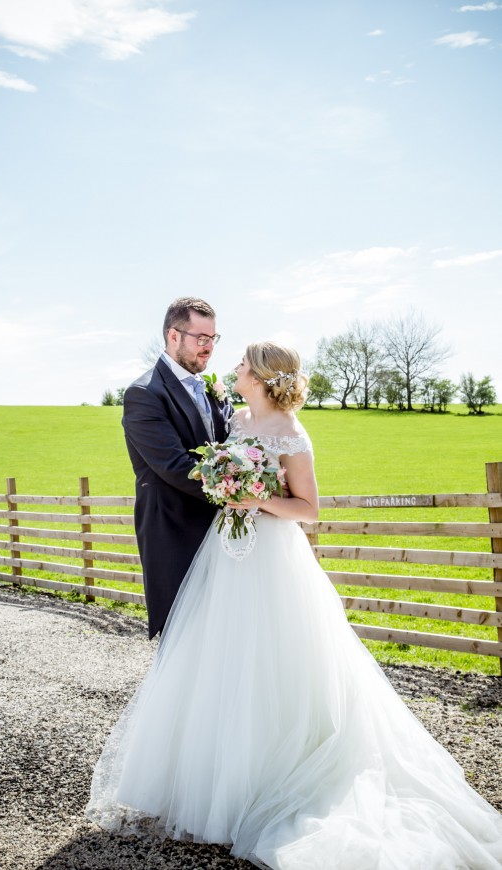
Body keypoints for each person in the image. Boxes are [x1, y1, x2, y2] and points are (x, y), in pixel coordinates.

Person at [87, 341, 502, 869]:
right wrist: (226, 487)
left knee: (275, 659)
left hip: (274, 559)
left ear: (260, 376)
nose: (231, 367)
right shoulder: (234, 419)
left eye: (240, 363)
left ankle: (274, 779)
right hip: (227, 553)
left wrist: (254, 498)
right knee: (219, 657)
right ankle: (214, 782)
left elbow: (308, 509)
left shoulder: (291, 432)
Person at [122, 297, 232, 639]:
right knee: (185, 637)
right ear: (173, 335)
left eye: (213, 338)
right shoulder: (144, 394)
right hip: (175, 532)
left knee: (224, 633)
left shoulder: (211, 389)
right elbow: (174, 465)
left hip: (222, 532)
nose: (209, 347)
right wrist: (237, 494)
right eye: (201, 338)